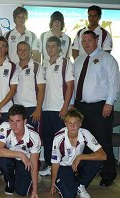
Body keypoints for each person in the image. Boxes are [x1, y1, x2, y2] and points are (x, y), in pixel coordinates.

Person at [73, 30, 119, 186]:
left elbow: (114, 82)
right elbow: (75, 85)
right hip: (80, 107)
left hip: (100, 107)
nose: (86, 44)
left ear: (96, 40)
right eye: (83, 41)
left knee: (103, 141)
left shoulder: (107, 59)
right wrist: (73, 103)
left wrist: (109, 103)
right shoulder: (78, 60)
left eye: (89, 40)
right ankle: (85, 175)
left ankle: (108, 175)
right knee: (84, 142)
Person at [50, 108, 107, 198]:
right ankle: (69, 182)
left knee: (97, 160)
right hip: (64, 166)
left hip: (78, 163)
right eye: (70, 123)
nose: (72, 126)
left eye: (75, 123)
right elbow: (55, 163)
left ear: (80, 124)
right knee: (69, 195)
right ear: (65, 124)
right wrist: (52, 184)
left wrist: (80, 157)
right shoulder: (58, 137)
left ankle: (81, 185)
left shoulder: (85, 133)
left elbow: (103, 155)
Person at [39, 36, 74, 176]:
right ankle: (49, 165)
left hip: (60, 110)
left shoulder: (65, 63)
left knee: (61, 140)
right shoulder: (44, 65)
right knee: (48, 139)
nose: (50, 49)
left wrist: (65, 107)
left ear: (59, 48)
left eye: (53, 46)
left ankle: (64, 168)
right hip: (46, 109)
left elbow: (70, 86)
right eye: (48, 46)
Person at [0, 104, 41, 197]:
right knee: (1, 161)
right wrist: (20, 154)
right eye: (11, 121)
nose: (14, 125)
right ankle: (9, 181)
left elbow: (34, 163)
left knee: (22, 192)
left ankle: (21, 175)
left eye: (18, 121)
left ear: (25, 121)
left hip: (27, 161)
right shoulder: (4, 127)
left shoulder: (34, 136)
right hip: (12, 157)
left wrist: (35, 190)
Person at [13, 41, 45, 131]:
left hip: (32, 109)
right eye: (20, 50)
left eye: (25, 50)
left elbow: (41, 89)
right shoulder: (13, 67)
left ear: (30, 51)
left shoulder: (36, 66)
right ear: (16, 52)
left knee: (34, 136)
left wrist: (38, 109)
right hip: (17, 107)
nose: (22, 52)